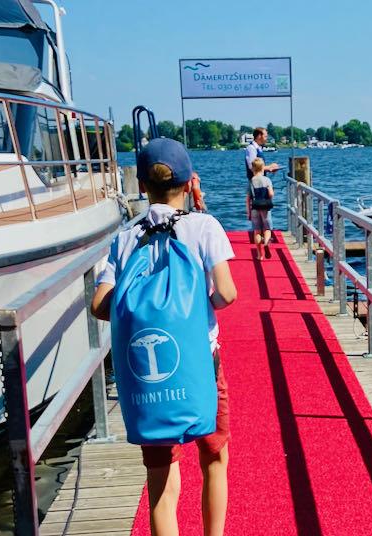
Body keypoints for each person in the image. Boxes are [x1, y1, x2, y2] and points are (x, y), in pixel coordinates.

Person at [90, 138, 237, 536]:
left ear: (141, 186)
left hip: (147, 376)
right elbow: (226, 292)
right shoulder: (204, 226)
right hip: (202, 365)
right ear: (190, 183)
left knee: (160, 479)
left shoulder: (125, 237)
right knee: (214, 457)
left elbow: (100, 305)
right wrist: (190, 307)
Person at [245, 157, 275, 258]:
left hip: (255, 207)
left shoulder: (251, 181)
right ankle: (266, 243)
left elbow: (248, 199)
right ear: (263, 168)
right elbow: (271, 194)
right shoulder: (267, 180)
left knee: (257, 231)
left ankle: (259, 254)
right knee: (267, 229)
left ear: (253, 169)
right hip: (265, 207)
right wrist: (268, 196)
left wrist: (248, 212)